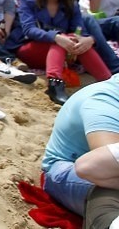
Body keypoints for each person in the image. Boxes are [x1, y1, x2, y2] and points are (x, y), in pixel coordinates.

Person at [5, 0, 111, 104]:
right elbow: (29, 30)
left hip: (60, 51)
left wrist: (88, 39)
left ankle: (109, 83)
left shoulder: (71, 4)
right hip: (27, 47)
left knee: (77, 42)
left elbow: (80, 30)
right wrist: (56, 37)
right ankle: (55, 84)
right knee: (61, 40)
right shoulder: (28, 1)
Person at [40, 74, 119, 217]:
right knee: (111, 195)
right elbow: (108, 166)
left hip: (94, 165)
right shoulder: (104, 103)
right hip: (66, 169)